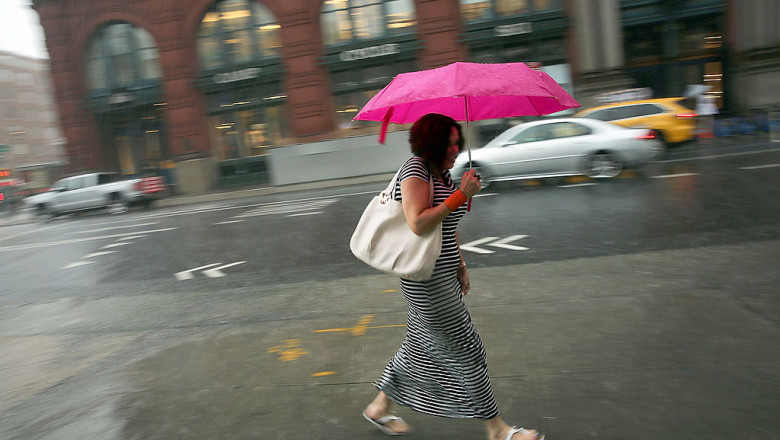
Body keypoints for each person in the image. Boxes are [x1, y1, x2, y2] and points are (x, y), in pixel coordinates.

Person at [362, 113, 544, 440]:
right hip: (426, 280)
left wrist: (460, 264)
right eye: (449, 143)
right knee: (467, 348)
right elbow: (418, 222)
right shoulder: (415, 169)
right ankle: (497, 429)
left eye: (458, 142)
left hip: (443, 271)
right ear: (430, 143)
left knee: (419, 346)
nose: (455, 149)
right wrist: (462, 195)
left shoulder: (442, 174)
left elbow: (447, 228)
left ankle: (379, 406)